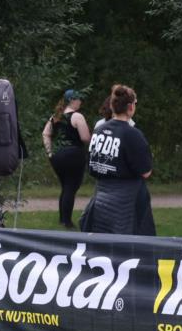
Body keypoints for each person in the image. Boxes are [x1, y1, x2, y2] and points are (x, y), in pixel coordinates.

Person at [79, 85, 155, 235]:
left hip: (100, 196)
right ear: (131, 106)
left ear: (112, 106)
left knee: (102, 246)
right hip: (127, 202)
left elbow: (92, 165)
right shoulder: (133, 134)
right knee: (129, 249)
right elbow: (146, 172)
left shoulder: (98, 131)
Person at [42, 89, 91, 228]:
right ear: (72, 101)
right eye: (79, 99)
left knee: (66, 187)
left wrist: (50, 152)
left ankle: (62, 219)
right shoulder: (77, 116)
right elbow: (85, 138)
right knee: (71, 187)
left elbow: (45, 134)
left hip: (57, 156)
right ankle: (67, 222)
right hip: (74, 155)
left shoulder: (56, 116)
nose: (81, 101)